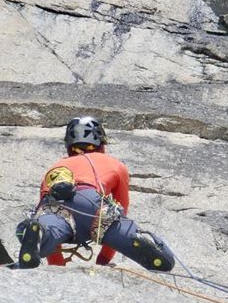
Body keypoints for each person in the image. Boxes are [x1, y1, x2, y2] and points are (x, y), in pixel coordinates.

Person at [14, 116, 175, 272]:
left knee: (48, 225)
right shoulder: (115, 164)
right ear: (101, 145)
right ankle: (141, 243)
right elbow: (121, 209)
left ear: (69, 147)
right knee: (116, 227)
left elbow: (42, 208)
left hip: (56, 205)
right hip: (92, 206)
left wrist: (57, 266)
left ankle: (41, 233)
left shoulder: (56, 167)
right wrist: (102, 261)